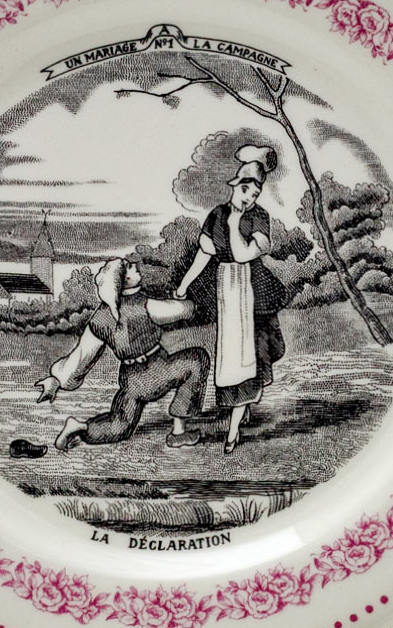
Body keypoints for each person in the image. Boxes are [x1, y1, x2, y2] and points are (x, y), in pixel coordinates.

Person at [175, 144, 287, 453]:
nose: (250, 198)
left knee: (260, 352)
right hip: (228, 291)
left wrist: (236, 225)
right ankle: (236, 422)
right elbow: (204, 255)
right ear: (235, 185)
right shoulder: (217, 215)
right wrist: (184, 284)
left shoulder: (259, 217)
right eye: (246, 190)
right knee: (233, 358)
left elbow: (242, 254)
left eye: (256, 193)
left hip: (255, 295)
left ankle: (238, 420)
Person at [36, 258, 210, 450]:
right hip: (157, 371)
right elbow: (185, 310)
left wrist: (56, 381)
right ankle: (179, 432)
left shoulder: (100, 318)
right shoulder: (143, 305)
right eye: (129, 266)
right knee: (197, 359)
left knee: (120, 425)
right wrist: (184, 298)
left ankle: (81, 427)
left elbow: (81, 357)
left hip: (131, 382)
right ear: (124, 281)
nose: (135, 265)